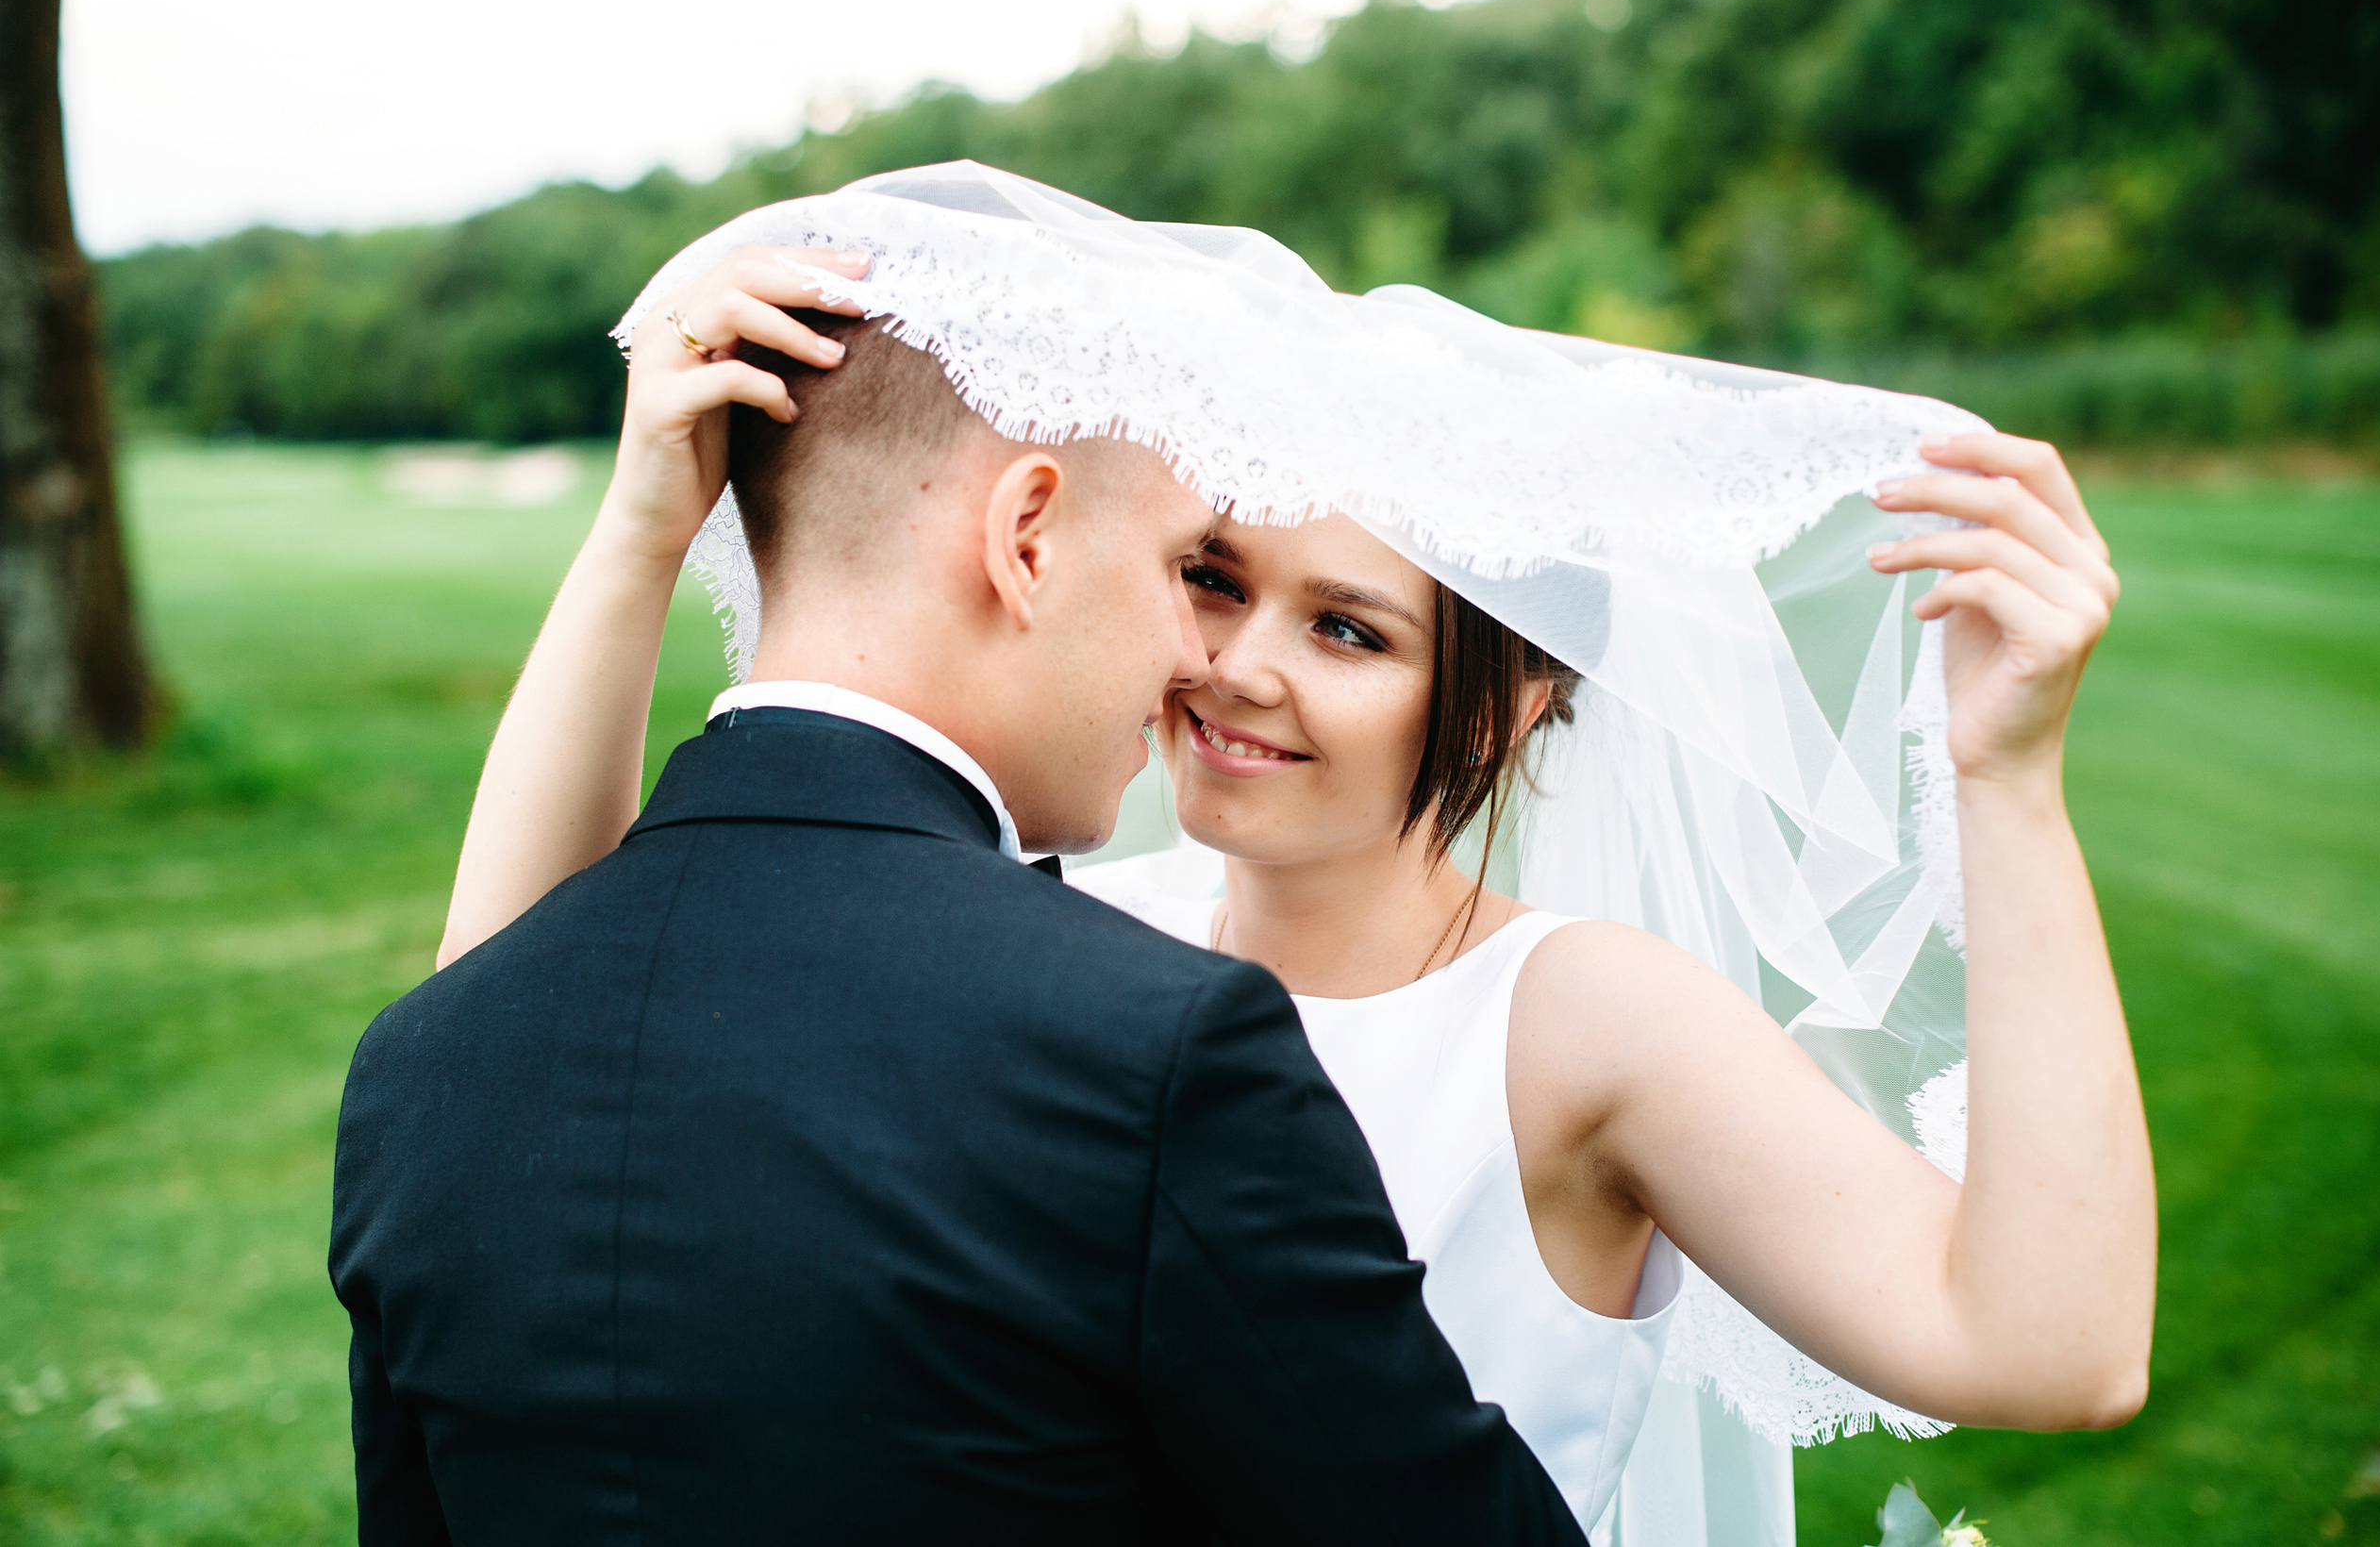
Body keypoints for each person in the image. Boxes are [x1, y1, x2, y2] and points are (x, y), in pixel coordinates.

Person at [427, 164, 2156, 1545]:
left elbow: (2046, 1345)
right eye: (1213, 579)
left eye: (1347, 632)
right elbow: (519, 1010)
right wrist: (646, 530)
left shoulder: (1581, 1024)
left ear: (1502, 710)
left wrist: (2005, 777)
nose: (1238, 665)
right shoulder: (1067, 933)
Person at [329, 244, 1593, 1544]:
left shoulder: (420, 1068)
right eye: (1182, 570)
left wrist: (638, 535)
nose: (1186, 659)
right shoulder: (1154, 1056)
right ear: (1026, 540)